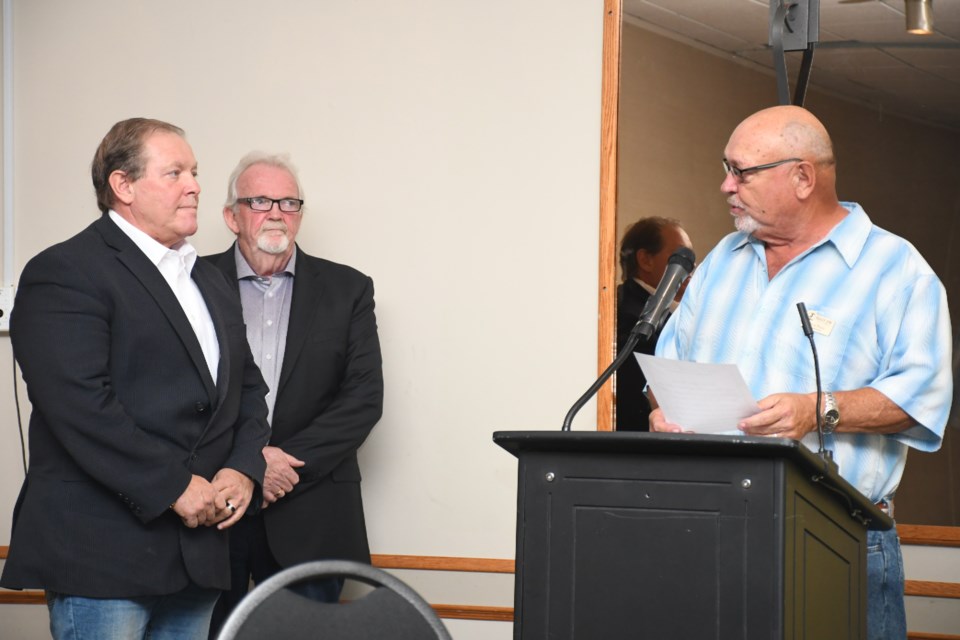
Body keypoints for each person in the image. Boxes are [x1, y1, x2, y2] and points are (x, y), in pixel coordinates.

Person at [651, 105, 952, 639]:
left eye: (741, 172)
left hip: (836, 534)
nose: (725, 186)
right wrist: (663, 411)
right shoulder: (722, 260)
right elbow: (669, 366)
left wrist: (817, 410)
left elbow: (921, 397)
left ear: (803, 177)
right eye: (726, 169)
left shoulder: (895, 270)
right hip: (709, 526)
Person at [0, 118, 271, 639]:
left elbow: (248, 392)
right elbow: (80, 406)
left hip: (199, 555)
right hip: (103, 556)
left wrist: (242, 468)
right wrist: (173, 487)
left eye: (194, 172)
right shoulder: (66, 270)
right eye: (175, 173)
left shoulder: (207, 280)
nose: (194, 184)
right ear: (123, 186)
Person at [206, 152, 384, 635]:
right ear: (231, 216)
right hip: (210, 510)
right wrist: (246, 463)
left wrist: (276, 464)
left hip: (312, 514)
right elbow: (173, 396)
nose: (277, 213)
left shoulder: (348, 289)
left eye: (289, 202)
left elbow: (363, 400)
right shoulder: (191, 284)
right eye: (260, 200)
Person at [616, 217, 693, 431]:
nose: (692, 266)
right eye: (680, 256)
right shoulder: (623, 314)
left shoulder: (677, 312)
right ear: (645, 260)